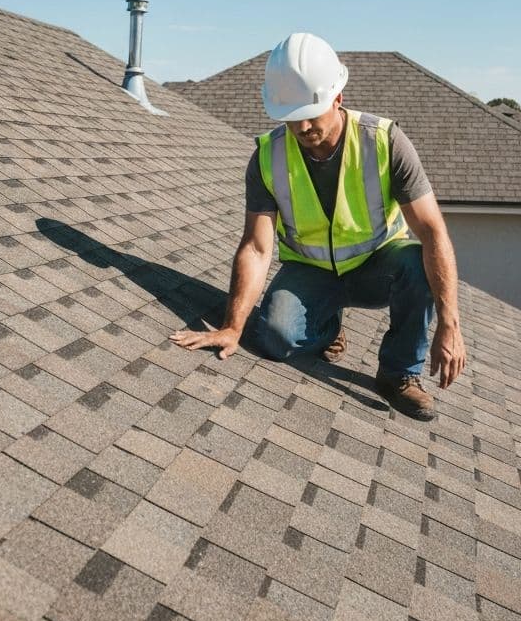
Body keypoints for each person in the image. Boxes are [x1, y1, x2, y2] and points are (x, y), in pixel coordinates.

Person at [171, 33, 465, 420]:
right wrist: (231, 326)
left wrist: (450, 324)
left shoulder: (385, 142)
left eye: (312, 112)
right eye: (292, 116)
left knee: (417, 263)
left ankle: (398, 374)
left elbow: (433, 233)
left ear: (338, 98)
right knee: (274, 338)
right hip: (311, 271)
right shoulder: (267, 157)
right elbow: (257, 248)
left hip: (377, 266)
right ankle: (328, 328)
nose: (303, 126)